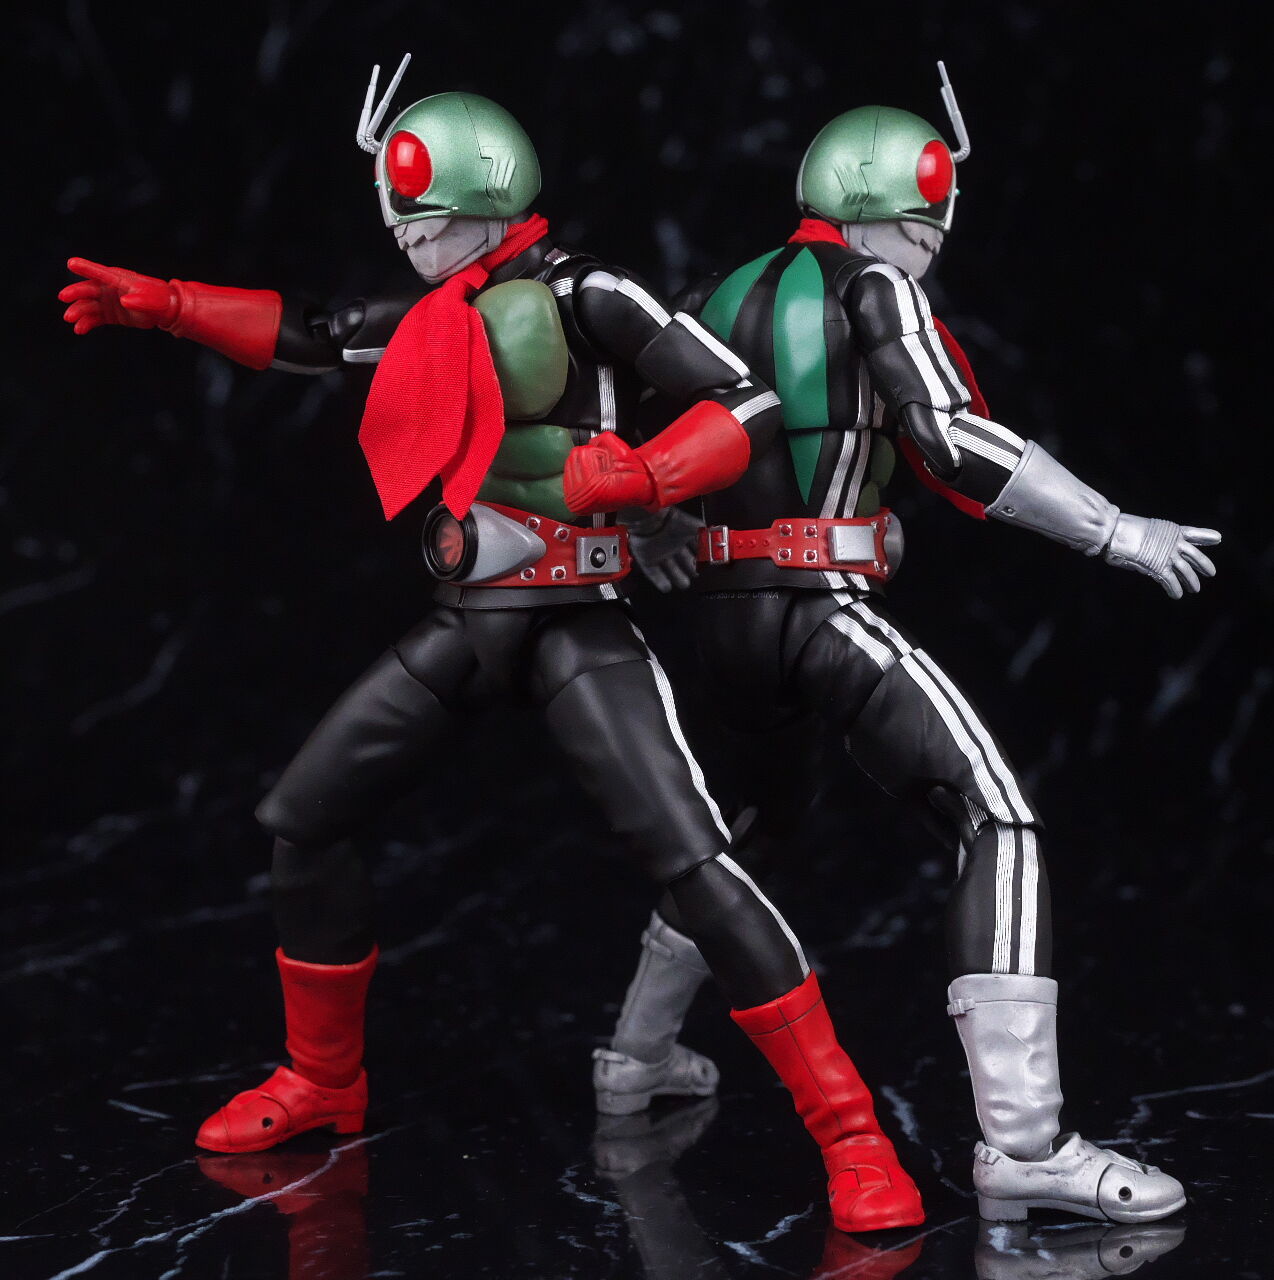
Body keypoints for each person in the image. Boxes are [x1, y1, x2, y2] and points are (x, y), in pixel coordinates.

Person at [59, 58, 922, 1233]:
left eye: (427, 221)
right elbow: (316, 332)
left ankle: (851, 1133)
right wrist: (170, 303)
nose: (412, 243)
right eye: (402, 226)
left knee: (697, 861)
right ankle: (321, 1077)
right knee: (304, 818)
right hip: (470, 616)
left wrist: (649, 473)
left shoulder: (589, 291)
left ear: (484, 189)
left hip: (576, 620)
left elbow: (741, 400)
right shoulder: (440, 312)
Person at [596, 65, 1215, 1225]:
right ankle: (1024, 1143)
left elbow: (623, 430)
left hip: (725, 621)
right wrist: (1113, 528)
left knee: (747, 830)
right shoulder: (874, 283)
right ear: (897, 203)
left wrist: (654, 527)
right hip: (816, 607)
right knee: (998, 820)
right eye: (929, 217)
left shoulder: (716, 289)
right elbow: (949, 436)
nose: (934, 243)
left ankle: (632, 1058)